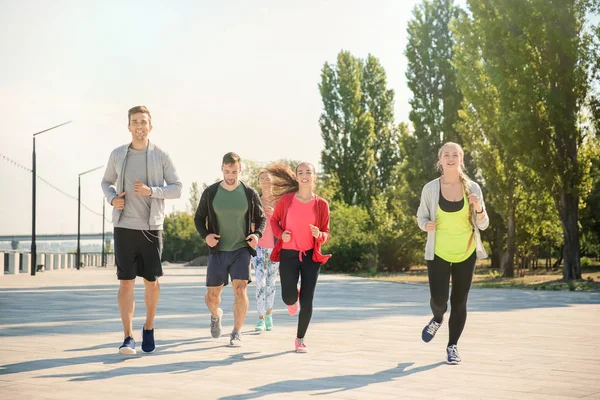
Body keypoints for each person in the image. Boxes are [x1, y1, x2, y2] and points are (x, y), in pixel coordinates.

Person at [101, 105, 182, 355]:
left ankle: (149, 326)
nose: (139, 126)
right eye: (135, 122)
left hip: (151, 228)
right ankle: (128, 337)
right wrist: (113, 199)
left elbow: (177, 188)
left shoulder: (161, 156)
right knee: (126, 283)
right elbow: (106, 182)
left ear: (150, 126)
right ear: (128, 126)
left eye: (143, 122)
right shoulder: (118, 155)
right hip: (124, 226)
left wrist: (152, 191)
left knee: (151, 282)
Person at [416, 142, 489, 364]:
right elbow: (421, 217)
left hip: (465, 253)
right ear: (440, 159)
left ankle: (452, 346)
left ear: (461, 159)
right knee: (439, 300)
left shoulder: (473, 188)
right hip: (438, 252)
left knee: (459, 302)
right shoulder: (430, 189)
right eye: (446, 155)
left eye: (455, 155)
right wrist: (426, 224)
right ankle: (437, 318)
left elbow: (484, 224)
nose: (450, 158)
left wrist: (478, 208)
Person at [194, 152, 266, 347]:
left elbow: (261, 219)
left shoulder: (249, 193)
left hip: (241, 249)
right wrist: (206, 235)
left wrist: (256, 235)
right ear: (222, 170)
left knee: (241, 290)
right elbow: (199, 218)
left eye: (234, 171)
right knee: (212, 296)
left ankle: (236, 332)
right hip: (218, 250)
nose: (231, 175)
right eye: (227, 171)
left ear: (240, 169)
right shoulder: (211, 193)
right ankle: (215, 315)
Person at [266, 162, 331, 353]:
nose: (304, 175)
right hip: (288, 255)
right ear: (296, 177)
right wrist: (281, 234)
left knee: (308, 301)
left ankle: (300, 339)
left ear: (314, 177)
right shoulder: (287, 201)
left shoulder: (321, 204)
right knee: (289, 297)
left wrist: (319, 234)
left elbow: (326, 232)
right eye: (300, 172)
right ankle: (292, 300)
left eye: (308, 172)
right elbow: (274, 221)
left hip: (311, 257)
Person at [252, 170, 280, 332]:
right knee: (260, 283)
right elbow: (249, 219)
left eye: (267, 178)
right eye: (262, 178)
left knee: (271, 283)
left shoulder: (279, 201)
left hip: (275, 247)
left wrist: (274, 213)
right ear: (259, 182)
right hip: (259, 247)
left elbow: (285, 221)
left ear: (272, 181)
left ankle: (269, 315)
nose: (265, 181)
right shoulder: (255, 200)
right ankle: (261, 319)